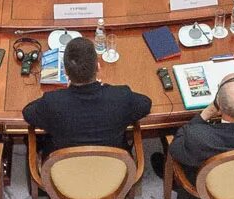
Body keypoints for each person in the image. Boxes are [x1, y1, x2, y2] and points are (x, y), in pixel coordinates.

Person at [19, 33, 151, 153]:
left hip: (65, 171)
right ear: (98, 67)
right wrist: (105, 87)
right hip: (111, 171)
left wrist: (63, 92)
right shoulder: (121, 96)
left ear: (65, 71)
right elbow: (146, 104)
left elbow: (28, 112)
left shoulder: (52, 102)